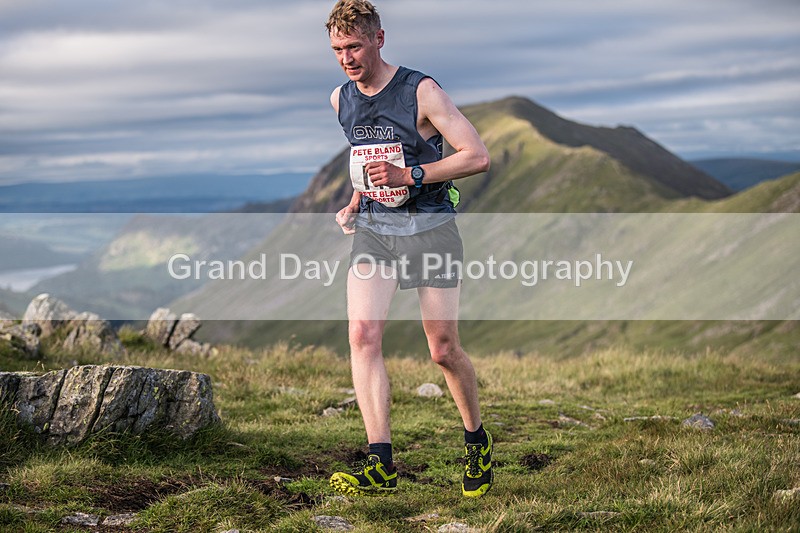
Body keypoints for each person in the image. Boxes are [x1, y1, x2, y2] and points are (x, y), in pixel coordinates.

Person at [325, 0, 493, 498]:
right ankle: (380, 462)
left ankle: (476, 440)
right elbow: (367, 158)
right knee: (362, 335)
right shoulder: (340, 99)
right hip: (376, 229)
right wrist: (356, 200)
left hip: (430, 227)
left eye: (354, 46)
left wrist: (411, 176)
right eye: (337, 49)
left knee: (442, 350)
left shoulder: (421, 90)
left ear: (379, 38)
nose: (347, 58)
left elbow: (476, 157)